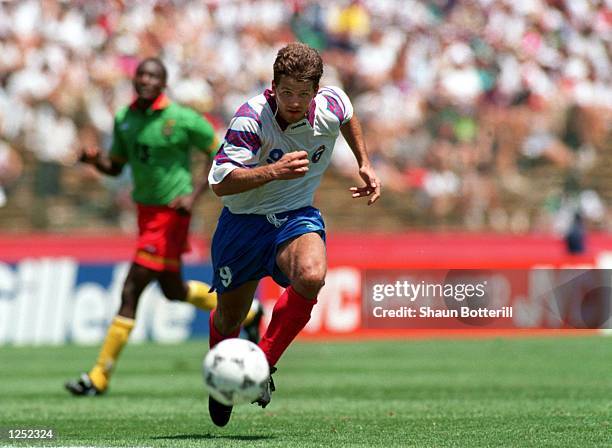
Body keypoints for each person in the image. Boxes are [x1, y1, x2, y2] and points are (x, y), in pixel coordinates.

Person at [206, 42, 381, 426]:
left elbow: (348, 113)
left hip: (295, 217)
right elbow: (219, 182)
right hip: (243, 224)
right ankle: (221, 384)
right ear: (273, 86)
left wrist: (364, 163)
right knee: (228, 318)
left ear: (316, 92)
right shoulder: (251, 118)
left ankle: (262, 365)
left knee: (313, 275)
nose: (295, 101)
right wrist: (273, 171)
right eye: (287, 92)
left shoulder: (330, 105)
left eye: (304, 94)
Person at [65, 57, 263, 397]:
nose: (145, 80)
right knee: (173, 290)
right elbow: (116, 166)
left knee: (131, 289)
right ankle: (248, 313)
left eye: (152, 76)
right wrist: (95, 160)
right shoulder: (124, 119)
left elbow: (221, 154)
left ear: (163, 83)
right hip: (146, 215)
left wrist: (195, 195)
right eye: (140, 74)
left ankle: (98, 376)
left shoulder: (181, 119)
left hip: (171, 216)